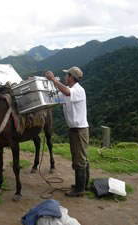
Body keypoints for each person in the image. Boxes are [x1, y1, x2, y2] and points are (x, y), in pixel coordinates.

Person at [45, 66, 89, 197]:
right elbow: (55, 96)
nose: (65, 78)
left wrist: (53, 79)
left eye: (67, 75)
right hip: (75, 130)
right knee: (79, 157)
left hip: (80, 130)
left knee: (80, 159)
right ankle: (82, 185)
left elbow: (65, 92)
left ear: (71, 77)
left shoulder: (78, 90)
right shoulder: (69, 90)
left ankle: (80, 189)